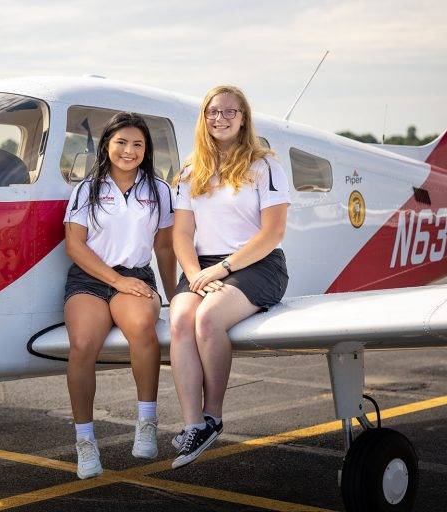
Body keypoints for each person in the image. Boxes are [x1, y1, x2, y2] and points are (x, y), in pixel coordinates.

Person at [169, 85, 290, 469]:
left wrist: (222, 270)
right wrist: (194, 274)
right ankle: (192, 425)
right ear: (203, 119)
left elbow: (272, 234)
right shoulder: (190, 171)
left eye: (228, 112)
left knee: (207, 319)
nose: (219, 119)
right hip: (202, 266)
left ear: (243, 118)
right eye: (211, 112)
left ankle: (213, 417)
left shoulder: (265, 165)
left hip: (256, 263)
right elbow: (182, 234)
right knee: (180, 320)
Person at [64, 112, 176, 479]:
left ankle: (146, 421)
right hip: (90, 278)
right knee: (82, 344)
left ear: (147, 150)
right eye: (121, 143)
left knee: (144, 325)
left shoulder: (159, 190)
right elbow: (75, 247)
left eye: (137, 144)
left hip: (136, 275)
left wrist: (175, 296)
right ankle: (85, 441)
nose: (129, 151)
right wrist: (115, 280)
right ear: (107, 146)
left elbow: (164, 247)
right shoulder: (87, 189)